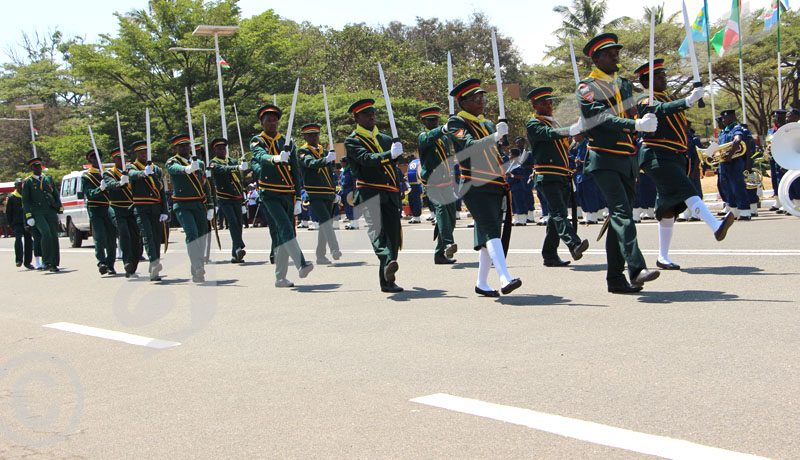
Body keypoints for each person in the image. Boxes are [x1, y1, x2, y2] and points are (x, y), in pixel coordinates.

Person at [577, 33, 659, 294]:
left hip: (628, 159)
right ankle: (636, 268)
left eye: (617, 52)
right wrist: (633, 123)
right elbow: (599, 117)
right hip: (603, 157)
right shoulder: (587, 87)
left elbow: (632, 111)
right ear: (597, 58)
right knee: (622, 212)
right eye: (610, 54)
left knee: (617, 220)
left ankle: (615, 279)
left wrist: (647, 115)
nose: (616, 57)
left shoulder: (624, 84)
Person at [634, 58, 734, 270]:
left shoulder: (666, 98)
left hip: (673, 157)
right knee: (687, 190)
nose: (664, 79)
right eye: (658, 77)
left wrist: (692, 97)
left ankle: (662, 257)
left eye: (664, 76)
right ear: (646, 82)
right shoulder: (645, 101)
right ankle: (715, 226)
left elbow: (670, 109)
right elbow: (661, 110)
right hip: (657, 156)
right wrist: (687, 101)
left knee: (666, 207)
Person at [447, 78, 521, 297]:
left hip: (495, 182)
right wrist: (495, 136)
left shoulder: (487, 123)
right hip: (474, 183)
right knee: (490, 228)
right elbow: (469, 146)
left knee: (491, 230)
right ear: (463, 102)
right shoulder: (456, 123)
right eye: (475, 99)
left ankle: (481, 282)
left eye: (482, 97)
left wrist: (505, 161)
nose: (481, 102)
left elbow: (494, 152)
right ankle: (504, 278)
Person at [344, 98, 404, 293]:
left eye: (372, 113)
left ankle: (388, 280)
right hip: (369, 190)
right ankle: (387, 262)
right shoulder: (352, 140)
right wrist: (389, 155)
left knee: (393, 237)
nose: (371, 116)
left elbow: (393, 166)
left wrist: (397, 154)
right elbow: (366, 159)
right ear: (356, 118)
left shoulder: (385, 139)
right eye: (365, 114)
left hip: (390, 192)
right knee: (377, 231)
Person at [525, 86, 589, 267]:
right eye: (544, 102)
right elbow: (548, 135)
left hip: (562, 175)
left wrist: (578, 135)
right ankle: (574, 243)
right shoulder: (534, 124)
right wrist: (570, 129)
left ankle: (549, 255)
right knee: (559, 213)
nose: (549, 105)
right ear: (535, 105)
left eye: (550, 101)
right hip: (547, 176)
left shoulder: (556, 123)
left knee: (555, 217)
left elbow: (564, 146)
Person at [250, 104, 313, 287]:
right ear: (262, 123)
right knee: (285, 227)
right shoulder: (257, 140)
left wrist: (299, 197)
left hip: (287, 193)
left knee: (283, 234)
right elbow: (260, 155)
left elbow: (295, 171)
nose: (272, 123)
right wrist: (276, 158)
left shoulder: (288, 142)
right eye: (268, 120)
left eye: (275, 120)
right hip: (269, 193)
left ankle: (280, 277)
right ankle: (301, 264)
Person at [165, 134, 214, 283]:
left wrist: (211, 205)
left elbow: (205, 185)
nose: (185, 148)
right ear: (176, 148)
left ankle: (196, 269)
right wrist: (187, 169)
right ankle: (198, 266)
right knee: (192, 234)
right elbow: (175, 169)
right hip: (183, 204)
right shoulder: (171, 161)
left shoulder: (199, 163)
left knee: (201, 236)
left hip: (199, 204)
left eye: (187, 145)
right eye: (181, 146)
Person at [416, 106, 458, 264]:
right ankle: (448, 242)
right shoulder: (423, 137)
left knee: (451, 218)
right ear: (424, 121)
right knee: (441, 211)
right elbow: (429, 138)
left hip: (447, 181)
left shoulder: (444, 138)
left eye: (436, 120)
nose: (433, 122)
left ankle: (440, 254)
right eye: (430, 120)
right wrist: (443, 128)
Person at [296, 123, 342, 264]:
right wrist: (326, 160)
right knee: (326, 220)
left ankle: (320, 256)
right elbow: (310, 163)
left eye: (316, 134)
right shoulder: (303, 151)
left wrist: (334, 191)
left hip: (328, 192)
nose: (314, 137)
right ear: (305, 136)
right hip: (315, 193)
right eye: (310, 135)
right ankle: (334, 248)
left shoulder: (323, 151)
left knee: (324, 225)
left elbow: (330, 173)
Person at [127, 140, 168, 281]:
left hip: (156, 208)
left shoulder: (156, 169)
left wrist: (164, 210)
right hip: (141, 207)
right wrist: (144, 173)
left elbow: (161, 191)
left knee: (157, 238)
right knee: (148, 236)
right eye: (140, 153)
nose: (143, 155)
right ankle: (155, 263)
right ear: (136, 154)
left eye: (145, 152)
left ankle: (154, 268)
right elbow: (132, 175)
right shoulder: (131, 167)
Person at [103, 147, 142, 278]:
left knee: (136, 237)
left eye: (123, 158)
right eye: (118, 158)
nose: (121, 161)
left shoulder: (130, 171)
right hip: (116, 208)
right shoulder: (109, 173)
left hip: (131, 207)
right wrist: (119, 183)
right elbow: (109, 185)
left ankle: (133, 265)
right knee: (124, 232)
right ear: (114, 160)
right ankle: (127, 262)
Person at [208, 137, 248, 263]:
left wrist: (242, 201)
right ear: (215, 151)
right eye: (219, 149)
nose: (222, 150)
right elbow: (222, 170)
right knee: (232, 222)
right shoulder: (213, 163)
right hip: (224, 197)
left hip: (236, 197)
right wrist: (237, 167)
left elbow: (239, 181)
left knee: (239, 224)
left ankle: (235, 254)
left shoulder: (232, 161)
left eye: (223, 148)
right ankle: (239, 246)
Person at [21, 157, 62, 272]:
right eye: (35, 166)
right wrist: (29, 216)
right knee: (46, 233)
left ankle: (54, 263)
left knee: (54, 235)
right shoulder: (28, 182)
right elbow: (26, 200)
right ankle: (46, 261)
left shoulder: (48, 179)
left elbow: (55, 193)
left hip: (50, 210)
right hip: (37, 212)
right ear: (32, 168)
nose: (37, 168)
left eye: (39, 166)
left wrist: (59, 208)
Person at [82, 149, 117, 275]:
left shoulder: (107, 173)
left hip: (109, 207)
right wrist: (100, 189)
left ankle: (111, 264)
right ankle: (101, 262)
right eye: (93, 159)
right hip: (95, 208)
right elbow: (89, 193)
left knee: (111, 237)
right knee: (100, 237)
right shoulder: (87, 176)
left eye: (98, 158)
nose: (96, 160)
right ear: (90, 161)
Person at [713, 109, 751, 220]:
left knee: (738, 186)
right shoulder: (724, 131)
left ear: (732, 117)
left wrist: (730, 155)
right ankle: (733, 210)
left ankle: (744, 211)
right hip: (724, 164)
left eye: (725, 118)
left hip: (734, 162)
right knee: (727, 188)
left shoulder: (736, 128)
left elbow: (737, 140)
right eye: (722, 118)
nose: (723, 120)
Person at [6, 178, 34, 269]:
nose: (20, 186)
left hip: (27, 221)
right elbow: (8, 212)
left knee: (28, 241)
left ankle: (27, 262)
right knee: (18, 239)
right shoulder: (11, 197)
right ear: (15, 186)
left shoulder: (27, 195)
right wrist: (11, 224)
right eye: (18, 184)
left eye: (21, 184)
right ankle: (19, 260)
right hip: (17, 222)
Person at [766, 110, 787, 212]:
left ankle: (785, 201)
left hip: (783, 157)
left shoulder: (787, 129)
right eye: (774, 117)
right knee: (774, 178)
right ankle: (778, 200)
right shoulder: (771, 130)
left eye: (778, 117)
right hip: (773, 157)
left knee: (782, 179)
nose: (776, 119)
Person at [406, 155, 423, 223]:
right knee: (412, 201)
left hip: (416, 185)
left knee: (416, 201)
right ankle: (415, 216)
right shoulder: (411, 165)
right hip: (411, 186)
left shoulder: (418, 163)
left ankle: (417, 217)